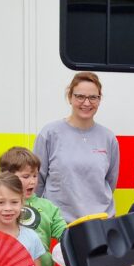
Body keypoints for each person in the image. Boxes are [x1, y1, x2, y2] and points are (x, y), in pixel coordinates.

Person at [35, 72, 120, 221]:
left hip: (100, 222)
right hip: (60, 224)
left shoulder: (108, 138)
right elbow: (37, 180)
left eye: (93, 97)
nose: (86, 103)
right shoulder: (49, 133)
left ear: (99, 100)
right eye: (80, 96)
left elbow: (110, 182)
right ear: (70, 97)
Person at [0, 147, 65, 266]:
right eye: (26, 176)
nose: (32, 181)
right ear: (7, 177)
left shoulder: (48, 207)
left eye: (35, 175)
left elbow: (64, 233)